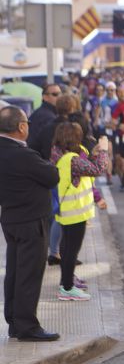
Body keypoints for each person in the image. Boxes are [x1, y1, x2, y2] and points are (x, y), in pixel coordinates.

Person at [0, 106, 61, 341]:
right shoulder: (22, 154)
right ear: (21, 127)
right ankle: (27, 326)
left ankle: (15, 322)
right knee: (29, 274)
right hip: (31, 221)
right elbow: (52, 176)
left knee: (15, 272)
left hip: (11, 218)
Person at [51, 122, 110, 301]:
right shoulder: (71, 160)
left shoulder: (57, 152)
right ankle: (67, 288)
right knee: (71, 250)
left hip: (66, 209)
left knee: (67, 247)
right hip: (74, 211)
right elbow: (97, 169)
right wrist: (105, 151)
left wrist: (93, 153)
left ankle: (66, 281)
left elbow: (84, 165)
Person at [26, 83, 62, 152]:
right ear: (45, 97)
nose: (59, 97)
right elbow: (47, 144)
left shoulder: (43, 112)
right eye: (55, 94)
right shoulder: (47, 117)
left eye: (60, 94)